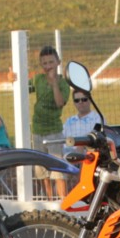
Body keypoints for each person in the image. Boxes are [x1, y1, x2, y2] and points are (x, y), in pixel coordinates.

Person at [31, 45, 70, 199]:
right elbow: (23, 87)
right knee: (41, 170)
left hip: (54, 130)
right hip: (37, 129)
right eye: (44, 63)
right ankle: (48, 200)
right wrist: (13, 78)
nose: (48, 66)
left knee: (58, 171)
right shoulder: (38, 80)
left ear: (58, 62)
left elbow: (60, 102)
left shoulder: (63, 83)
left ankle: (62, 202)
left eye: (51, 62)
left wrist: (54, 84)